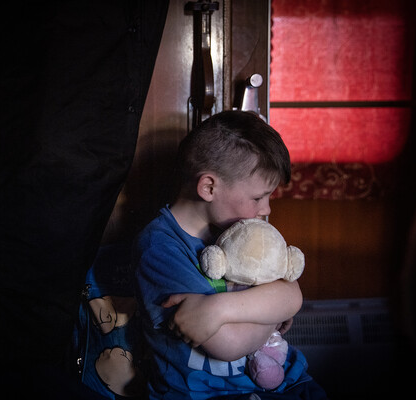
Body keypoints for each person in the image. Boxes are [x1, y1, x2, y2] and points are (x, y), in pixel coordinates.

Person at [132, 111, 327, 399]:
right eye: (258, 197)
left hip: (287, 380)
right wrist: (272, 313)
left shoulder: (239, 229)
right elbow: (228, 344)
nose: (266, 209)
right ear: (209, 187)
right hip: (212, 394)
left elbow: (292, 294)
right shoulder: (159, 249)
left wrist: (217, 309)